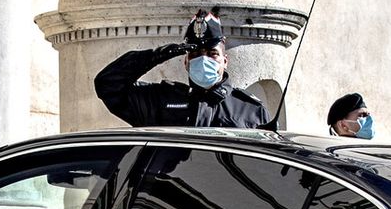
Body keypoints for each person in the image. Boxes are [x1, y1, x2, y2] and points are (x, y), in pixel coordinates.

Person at [94, 9, 269, 128]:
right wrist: (157, 55)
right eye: (195, 53)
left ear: (225, 61)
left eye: (211, 53)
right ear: (185, 62)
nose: (203, 59)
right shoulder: (160, 100)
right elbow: (108, 84)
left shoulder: (250, 110)